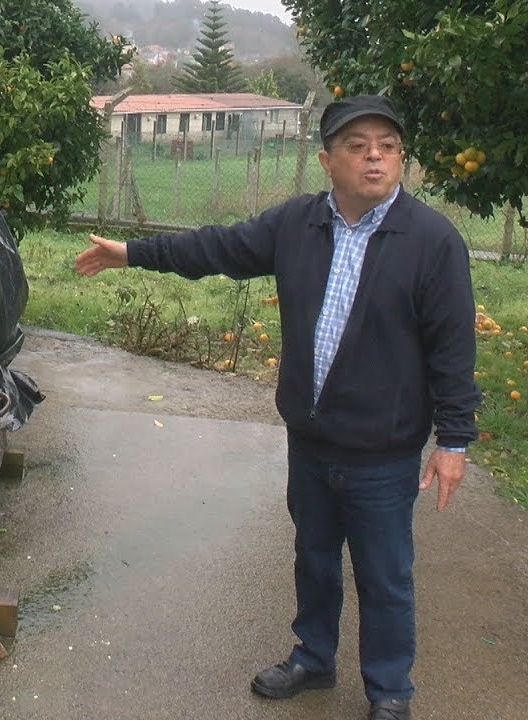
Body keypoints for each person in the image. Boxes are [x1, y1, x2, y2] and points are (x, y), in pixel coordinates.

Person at [74, 95, 481, 720]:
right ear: (327, 160)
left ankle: (390, 691)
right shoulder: (299, 224)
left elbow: (453, 348)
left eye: (388, 147)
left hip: (383, 452)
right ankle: (313, 658)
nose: (374, 158)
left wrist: (453, 442)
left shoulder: (431, 241)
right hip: (312, 441)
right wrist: (131, 252)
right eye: (357, 147)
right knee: (314, 558)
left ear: (401, 158)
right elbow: (215, 248)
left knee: (385, 576)